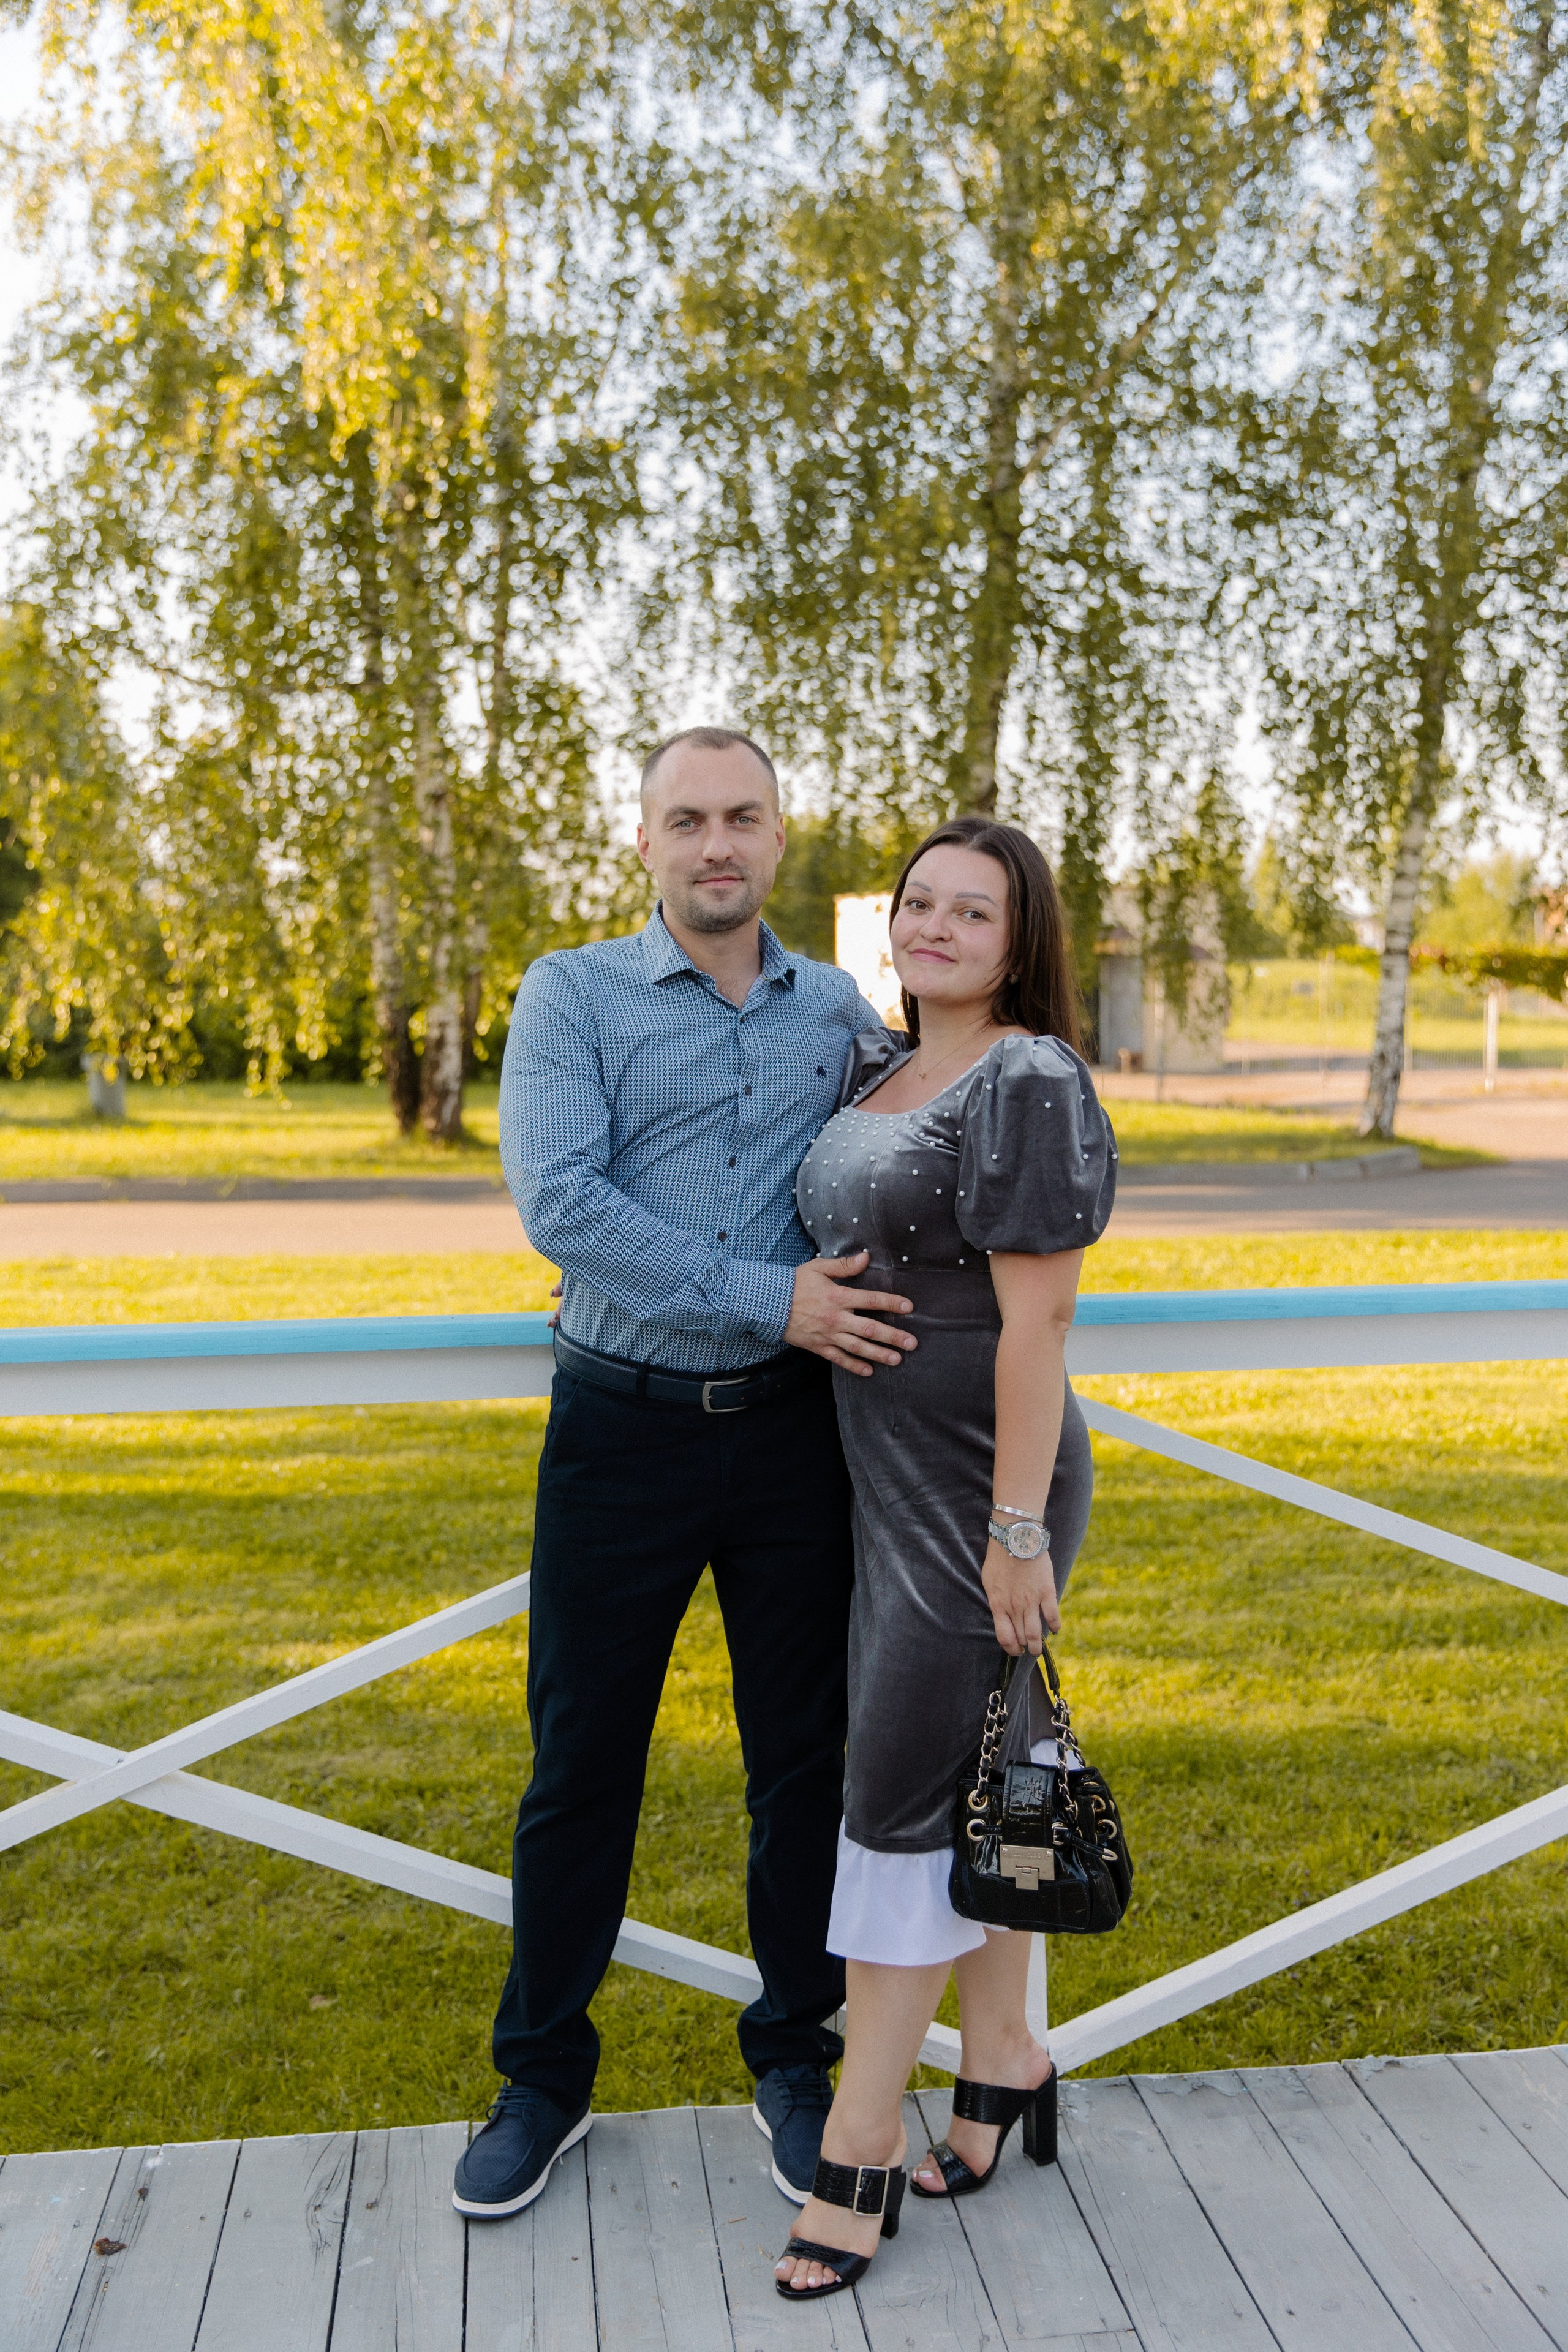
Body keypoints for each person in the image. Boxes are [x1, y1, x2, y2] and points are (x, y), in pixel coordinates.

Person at [453, 725, 919, 2222]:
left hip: (797, 1438)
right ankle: (543, 2078)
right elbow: (562, 1203)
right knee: (580, 1763)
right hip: (621, 1431)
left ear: (780, 838)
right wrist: (766, 1293)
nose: (715, 845)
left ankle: (794, 2056)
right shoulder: (569, 994)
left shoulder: (838, 1010)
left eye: (742, 819)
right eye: (686, 820)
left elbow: (929, 1134)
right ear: (643, 841)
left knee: (804, 1765)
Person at [773, 814, 1117, 2299]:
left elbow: (1037, 1323)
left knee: (896, 1796)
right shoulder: (877, 1067)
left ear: (1017, 937)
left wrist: (1015, 1529)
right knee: (968, 1770)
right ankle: (1001, 2063)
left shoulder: (1028, 1079)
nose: (934, 927)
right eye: (918, 904)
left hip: (982, 1488)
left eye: (970, 912)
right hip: (881, 1478)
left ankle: (854, 2146)